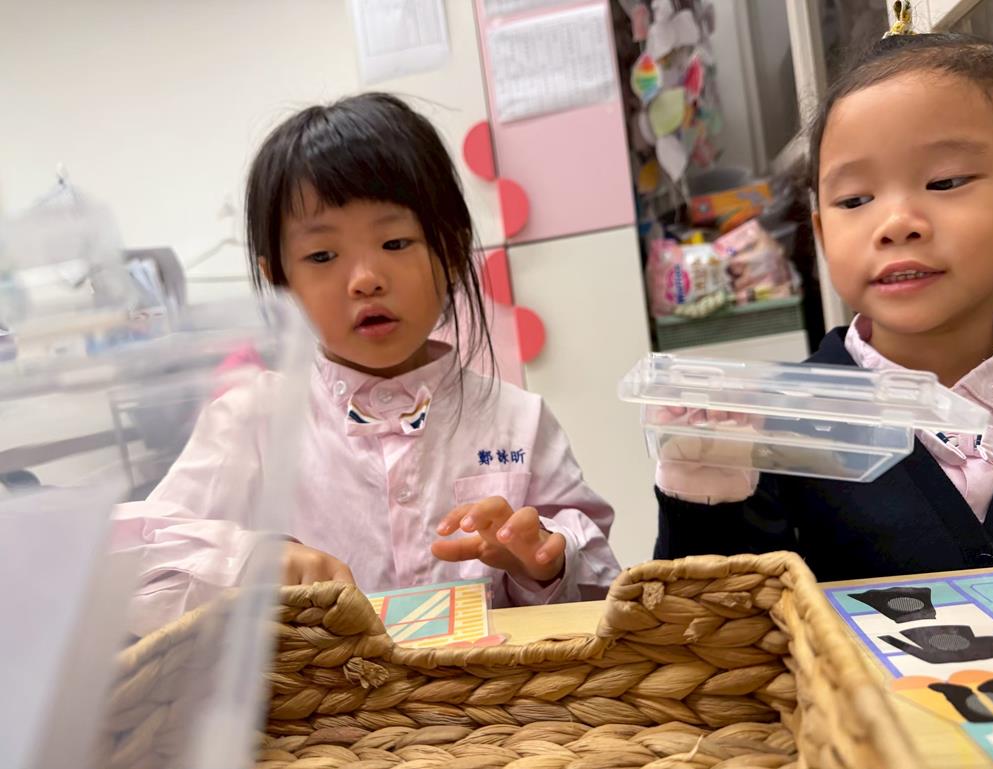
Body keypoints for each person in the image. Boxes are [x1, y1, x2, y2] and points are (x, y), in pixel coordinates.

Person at [114, 94, 618, 632]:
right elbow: (125, 563)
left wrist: (543, 562)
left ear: (452, 253)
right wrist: (248, 561)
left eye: (395, 242)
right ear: (281, 282)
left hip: (489, 688)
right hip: (313, 689)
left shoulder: (519, 420)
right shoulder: (252, 422)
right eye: (322, 256)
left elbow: (601, 585)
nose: (365, 279)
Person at [655, 31, 993, 581]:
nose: (895, 223)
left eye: (944, 181)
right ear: (823, 234)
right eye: (855, 200)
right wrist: (705, 495)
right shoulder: (779, 422)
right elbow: (713, 611)